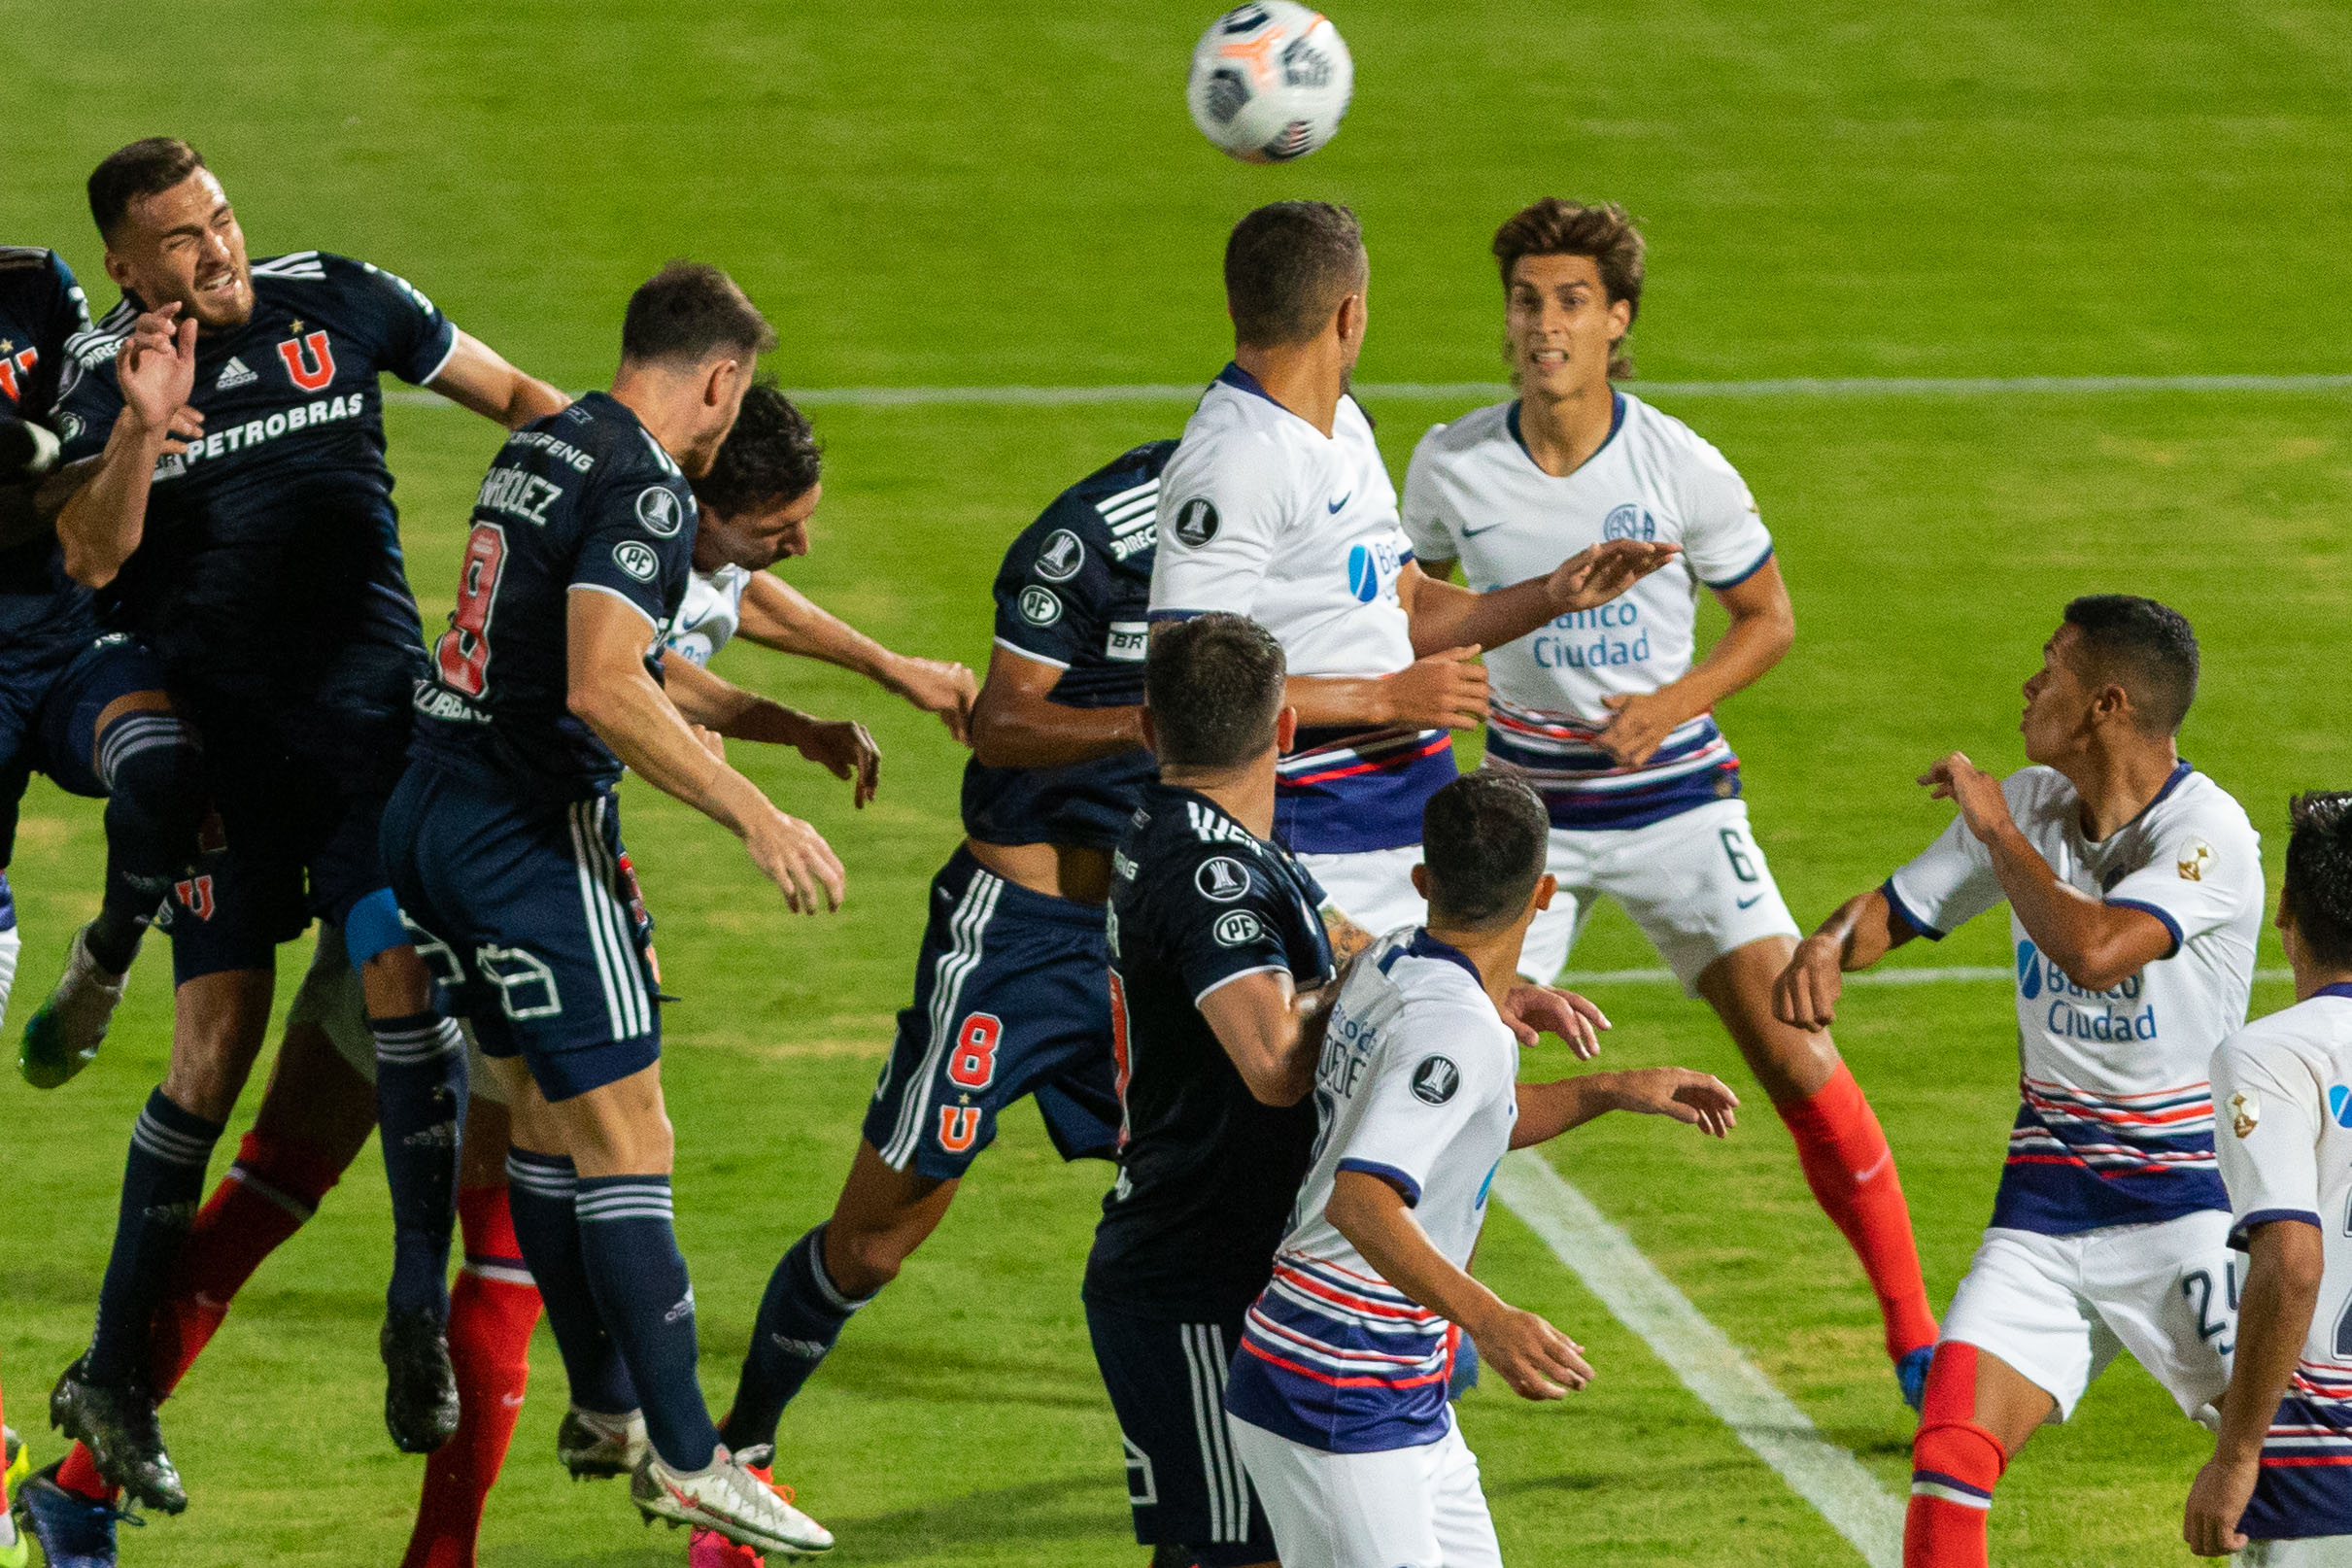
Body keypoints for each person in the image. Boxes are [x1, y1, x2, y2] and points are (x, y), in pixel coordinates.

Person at [45, 137, 571, 1500]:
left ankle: (412, 1310)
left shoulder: (335, 297)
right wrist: (148, 420)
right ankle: (111, 1367)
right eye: (177, 239)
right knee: (210, 1057)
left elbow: (514, 391)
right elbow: (92, 557)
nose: (214, 250)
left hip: (374, 737)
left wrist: (625, 483)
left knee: (403, 975)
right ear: (122, 262)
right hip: (222, 771)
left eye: (217, 218)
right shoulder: (98, 377)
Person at [1401, 197, 1939, 1403]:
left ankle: (1914, 1338)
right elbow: (1412, 594)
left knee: (1796, 1056)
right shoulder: (1450, 462)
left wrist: (1670, 702)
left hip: (1678, 803)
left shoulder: (1678, 466)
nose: (1546, 325)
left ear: (1617, 321)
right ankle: (1438, 1332)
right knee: (1458, 1061)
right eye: (1529, 301)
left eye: (1573, 303)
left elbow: (1771, 620)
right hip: (1525, 812)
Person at [383, 260, 835, 1555]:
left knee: (542, 1111)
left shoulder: (553, 438)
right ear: (720, 377)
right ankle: (691, 1456)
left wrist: (774, 720)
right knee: (633, 1139)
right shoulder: (642, 476)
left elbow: (589, 645)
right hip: (526, 837)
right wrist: (755, 811)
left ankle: (602, 1404)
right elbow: (600, 685)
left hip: (432, 808)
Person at [695, 436, 1175, 1568]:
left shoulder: (1288, 533)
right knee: (876, 1242)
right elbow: (1008, 719)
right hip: (1010, 949)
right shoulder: (1099, 535)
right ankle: (735, 1460)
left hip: (1144, 939)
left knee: (1220, 1187)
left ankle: (1255, 1468)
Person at [1773, 596, 2264, 1568]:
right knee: (1950, 1452)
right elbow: (1898, 908)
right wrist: (1829, 945)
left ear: (2107, 706)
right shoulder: (2033, 804)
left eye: (2052, 668)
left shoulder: (2209, 835)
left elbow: (2096, 953)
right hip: (2044, 1211)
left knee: (2295, 1468)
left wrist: (2000, 834)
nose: (2030, 687)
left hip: (2191, 1212)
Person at [1223, 770, 1737, 1568]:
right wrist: (1491, 1321)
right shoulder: (1457, 1030)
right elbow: (1362, 1203)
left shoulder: (1394, 953)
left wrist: (1606, 1090)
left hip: (1392, 1380)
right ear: (1543, 893)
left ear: (1425, 879)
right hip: (1336, 1380)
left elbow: (1455, 1124)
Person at [1145, 200, 1677, 948]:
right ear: (1349, 315)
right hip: (1317, 838)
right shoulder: (1236, 457)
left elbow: (1406, 603)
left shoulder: (1340, 423)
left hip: (1405, 825)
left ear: (1238, 304)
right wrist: (1387, 695)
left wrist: (1553, 595)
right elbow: (1188, 688)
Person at [2, 242, 208, 1079]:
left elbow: (84, 406)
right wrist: (124, 448)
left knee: (166, 766)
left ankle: (105, 962)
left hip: (72, 640)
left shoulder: (32, 282)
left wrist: (138, 377)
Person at [2185, 792, 2352, 1562]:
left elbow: (2289, 1265)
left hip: (2324, 1474)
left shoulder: (2270, 1055)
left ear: (2285, 912)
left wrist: (2237, 1453)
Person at [663, 379, 974, 742]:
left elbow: (732, 589)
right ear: (702, 517)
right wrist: (798, 732)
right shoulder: (616, 546)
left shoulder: (694, 532)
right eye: (775, 529)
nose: (801, 546)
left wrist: (892, 668)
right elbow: (633, 675)